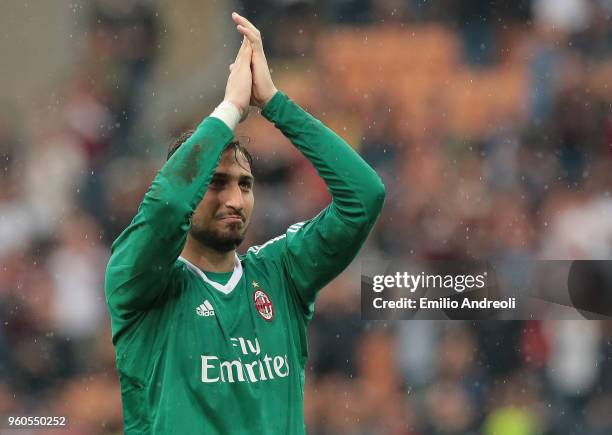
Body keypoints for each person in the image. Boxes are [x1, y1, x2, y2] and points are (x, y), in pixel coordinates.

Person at [105, 12, 385, 434]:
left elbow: (364, 196)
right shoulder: (141, 281)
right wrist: (232, 108)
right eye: (216, 184)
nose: (235, 199)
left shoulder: (281, 273)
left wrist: (275, 104)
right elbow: (166, 207)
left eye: (245, 184)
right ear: (191, 185)